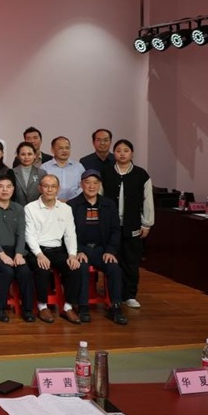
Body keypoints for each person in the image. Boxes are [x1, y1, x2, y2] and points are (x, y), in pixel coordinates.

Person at [68, 169, 128, 325]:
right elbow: (67, 233)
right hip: (81, 248)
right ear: (81, 184)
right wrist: (77, 251)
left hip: (102, 249)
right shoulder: (72, 205)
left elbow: (115, 230)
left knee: (114, 268)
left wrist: (110, 250)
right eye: (87, 183)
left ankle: (115, 307)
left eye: (95, 183)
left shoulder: (109, 204)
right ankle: (83, 307)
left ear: (100, 185)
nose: (91, 186)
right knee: (81, 268)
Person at [100, 139, 154, 309]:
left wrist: (147, 223)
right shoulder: (106, 172)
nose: (122, 154)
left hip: (133, 224)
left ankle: (130, 295)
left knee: (131, 262)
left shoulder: (141, 174)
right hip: (110, 225)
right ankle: (114, 294)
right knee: (112, 261)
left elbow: (147, 201)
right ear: (114, 153)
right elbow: (99, 198)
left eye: (126, 150)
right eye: (118, 150)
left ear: (132, 153)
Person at [24, 174, 83, 324]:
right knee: (42, 269)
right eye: (46, 186)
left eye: (53, 186)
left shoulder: (65, 209)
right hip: (37, 249)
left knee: (75, 268)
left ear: (58, 189)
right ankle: (42, 306)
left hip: (57, 249)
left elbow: (70, 234)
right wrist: (39, 254)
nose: (49, 190)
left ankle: (68, 307)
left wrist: (72, 255)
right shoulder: (30, 208)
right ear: (40, 188)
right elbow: (29, 235)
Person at [0, 175, 35, 323]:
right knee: (6, 271)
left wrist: (19, 253)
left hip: (14, 250)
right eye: (1, 186)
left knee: (25, 272)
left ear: (13, 189)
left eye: (8, 186)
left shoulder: (19, 208)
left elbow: (21, 233)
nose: (5, 190)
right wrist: (2, 255)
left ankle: (28, 310)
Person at [41, 136, 85, 202]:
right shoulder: (44, 167)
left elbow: (84, 185)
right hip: (51, 203)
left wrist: (71, 200)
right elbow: (42, 188)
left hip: (75, 203)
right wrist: (57, 201)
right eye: (61, 148)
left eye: (67, 148)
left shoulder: (78, 167)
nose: (64, 151)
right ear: (52, 150)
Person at [11, 141, 46, 206]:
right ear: (18, 156)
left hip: (36, 209)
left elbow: (44, 194)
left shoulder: (41, 173)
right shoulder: (11, 172)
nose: (26, 157)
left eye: (29, 154)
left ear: (35, 155)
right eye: (23, 154)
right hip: (16, 209)